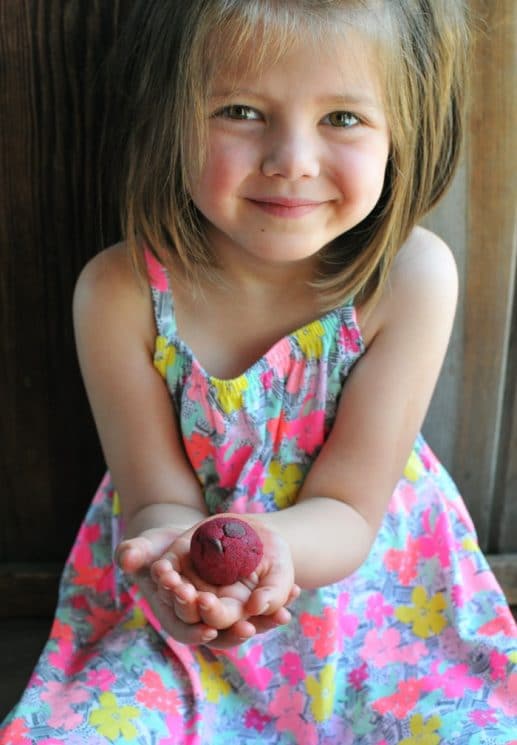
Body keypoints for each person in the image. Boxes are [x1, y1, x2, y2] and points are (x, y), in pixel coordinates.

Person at [2, 1, 516, 743]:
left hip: (372, 609)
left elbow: (346, 507)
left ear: (404, 131)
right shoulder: (120, 292)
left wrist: (270, 550)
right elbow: (156, 501)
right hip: (178, 619)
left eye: (342, 118)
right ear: (170, 116)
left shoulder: (408, 279)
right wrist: (180, 576)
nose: (291, 160)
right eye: (241, 111)